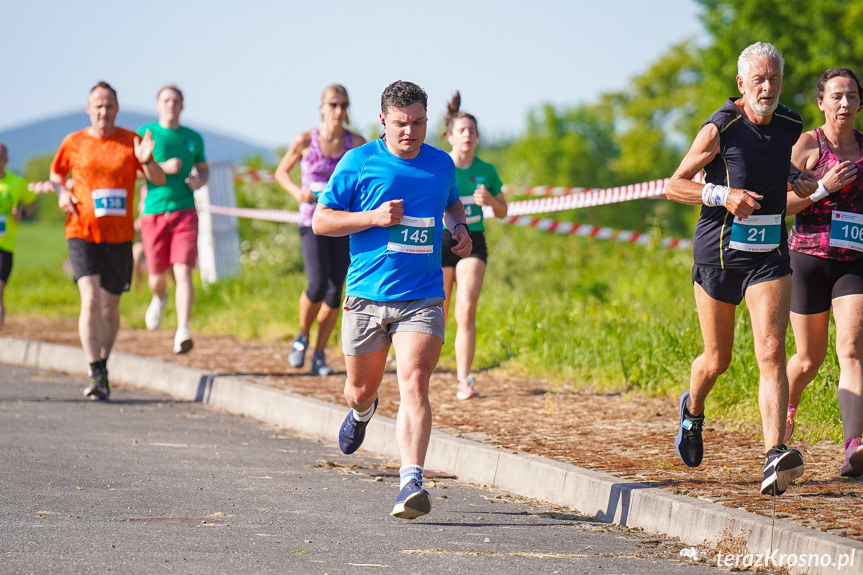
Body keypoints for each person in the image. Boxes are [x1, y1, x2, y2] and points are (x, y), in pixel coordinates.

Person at [313, 81, 471, 518]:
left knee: (415, 382)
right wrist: (372, 217)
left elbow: (452, 204)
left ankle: (410, 482)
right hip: (366, 295)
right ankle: (363, 413)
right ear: (383, 121)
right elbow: (321, 221)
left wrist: (458, 230)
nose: (411, 131)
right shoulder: (359, 161)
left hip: (421, 297)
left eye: (419, 122)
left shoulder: (440, 164)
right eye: (401, 123)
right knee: (360, 389)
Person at [665, 43, 811, 496]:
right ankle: (693, 410)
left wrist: (794, 177)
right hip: (720, 255)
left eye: (775, 79)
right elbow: (675, 185)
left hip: (768, 255)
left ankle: (773, 455)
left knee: (770, 350)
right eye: (759, 80)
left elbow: (773, 161)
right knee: (718, 359)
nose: (768, 87)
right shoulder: (720, 127)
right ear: (741, 84)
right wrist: (722, 195)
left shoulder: (790, 124)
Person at [50, 81, 166, 400]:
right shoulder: (73, 142)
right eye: (98, 105)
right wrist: (62, 195)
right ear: (88, 109)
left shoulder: (131, 140)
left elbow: (157, 180)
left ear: (117, 109)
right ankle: (94, 368)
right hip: (82, 230)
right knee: (89, 298)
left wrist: (149, 160)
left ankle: (103, 361)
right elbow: (56, 174)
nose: (103, 111)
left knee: (110, 307)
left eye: (109, 105)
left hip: (119, 237)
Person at [785, 67, 863, 478]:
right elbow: (779, 206)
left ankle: (854, 447)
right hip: (808, 261)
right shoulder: (807, 145)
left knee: (851, 348)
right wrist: (822, 187)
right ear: (821, 102)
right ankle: (785, 410)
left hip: (854, 263)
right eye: (836, 96)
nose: (844, 104)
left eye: (851, 96)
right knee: (808, 359)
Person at [274, 84, 365, 375]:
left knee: (336, 291)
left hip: (343, 223)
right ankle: (302, 335)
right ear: (322, 107)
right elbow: (280, 172)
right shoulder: (305, 139)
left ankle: (319, 355)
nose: (339, 111)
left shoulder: (356, 142)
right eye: (333, 105)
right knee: (317, 285)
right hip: (311, 221)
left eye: (343, 105)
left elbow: (368, 177)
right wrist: (296, 192)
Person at [441, 92, 508, 400]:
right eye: (462, 130)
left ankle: (464, 379)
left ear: (478, 137)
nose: (467, 135)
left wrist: (490, 200)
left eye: (472, 131)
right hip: (439, 241)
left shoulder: (487, 170)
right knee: (435, 312)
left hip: (474, 240)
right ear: (450, 137)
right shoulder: (440, 167)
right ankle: (420, 372)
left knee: (465, 310)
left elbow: (504, 210)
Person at [139, 85, 208, 354]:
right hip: (154, 211)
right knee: (156, 277)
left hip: (184, 212)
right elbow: (134, 171)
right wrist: (161, 167)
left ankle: (183, 330)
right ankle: (159, 296)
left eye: (176, 100)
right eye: (166, 100)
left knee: (183, 271)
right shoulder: (146, 134)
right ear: (158, 105)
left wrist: (199, 180)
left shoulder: (193, 138)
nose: (171, 104)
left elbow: (203, 168)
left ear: (182, 106)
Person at [0, 143, 37, 330]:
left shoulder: (16, 182)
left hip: (5, 246)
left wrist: (21, 213)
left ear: (6, 160)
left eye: (0, 158)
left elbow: (32, 202)